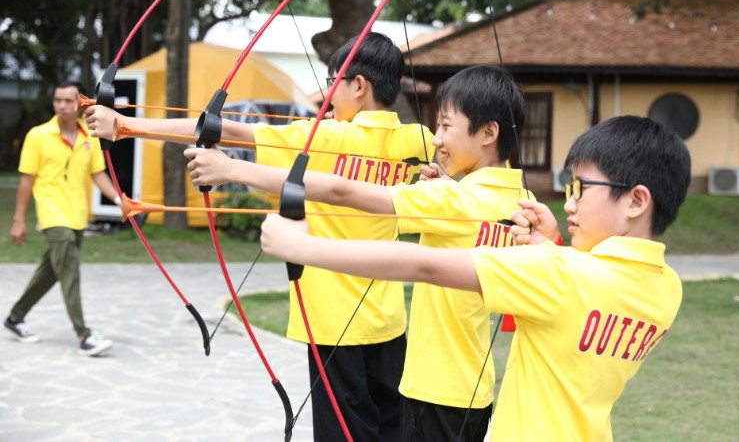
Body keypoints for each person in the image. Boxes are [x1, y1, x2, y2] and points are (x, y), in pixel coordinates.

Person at [85, 32, 435, 442]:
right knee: (390, 428)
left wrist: (124, 125)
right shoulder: (420, 141)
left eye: (332, 80)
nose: (326, 92)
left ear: (358, 87)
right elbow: (445, 169)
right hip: (389, 322)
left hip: (332, 323)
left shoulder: (324, 138)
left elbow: (227, 131)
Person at [259, 115, 692, 440]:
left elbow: (423, 265)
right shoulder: (666, 288)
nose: (571, 203)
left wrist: (302, 247)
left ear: (636, 200)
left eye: (581, 188)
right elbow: (580, 304)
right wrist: (552, 244)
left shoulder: (558, 274)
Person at [186, 64, 530, 441]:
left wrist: (232, 169)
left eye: (446, 126)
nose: (436, 138)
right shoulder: (523, 204)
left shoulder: (451, 199)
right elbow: (468, 220)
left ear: (489, 132)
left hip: (432, 391)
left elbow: (341, 192)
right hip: (475, 394)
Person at [6, 81, 119, 357]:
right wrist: (19, 219)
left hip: (77, 215)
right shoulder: (38, 136)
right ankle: (84, 335)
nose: (62, 106)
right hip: (52, 214)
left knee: (52, 270)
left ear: (81, 104)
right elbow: (26, 180)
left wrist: (119, 201)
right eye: (58, 100)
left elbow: (98, 174)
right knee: (69, 268)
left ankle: (15, 318)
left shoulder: (88, 137)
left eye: (68, 101)